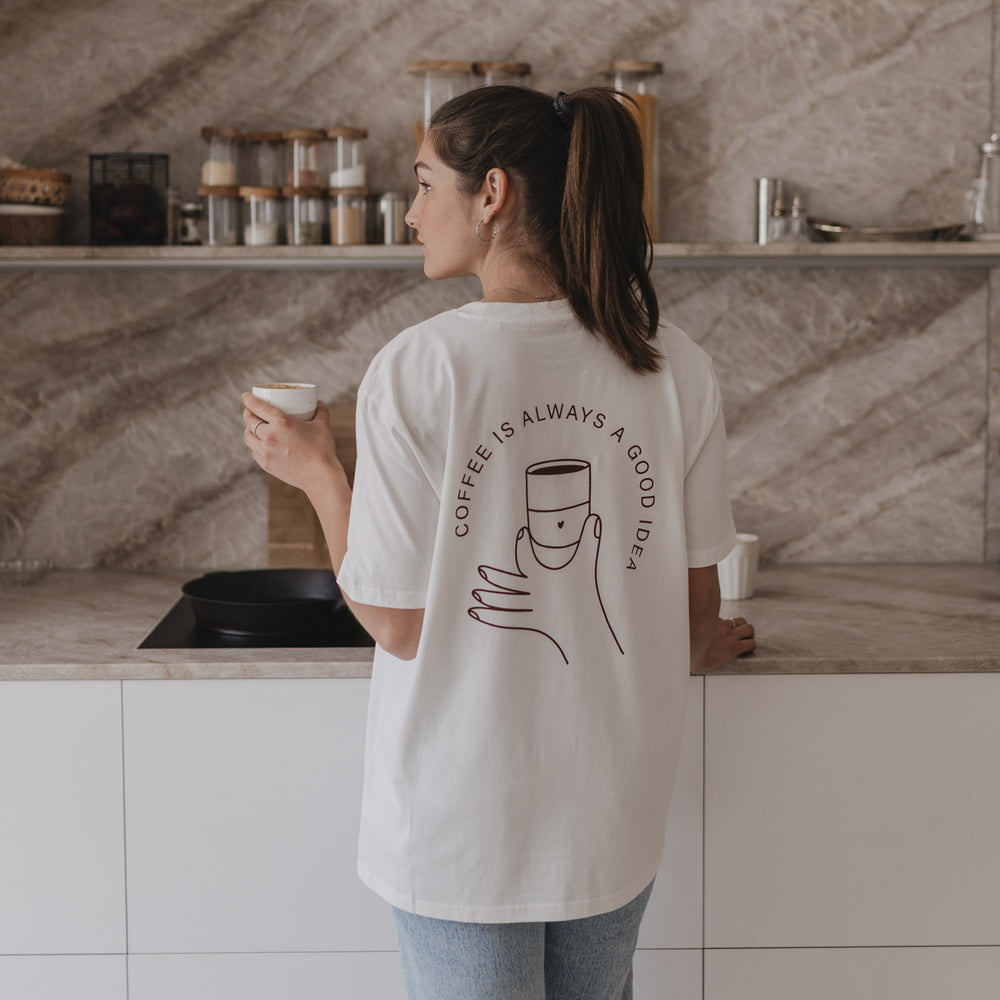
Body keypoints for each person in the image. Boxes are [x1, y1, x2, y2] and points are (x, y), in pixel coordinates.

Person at [242, 85, 749, 1000]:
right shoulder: (676, 364)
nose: (410, 209)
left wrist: (320, 473)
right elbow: (694, 617)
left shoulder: (422, 366)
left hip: (466, 826)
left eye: (425, 180)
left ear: (492, 194)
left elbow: (396, 620)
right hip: (612, 817)